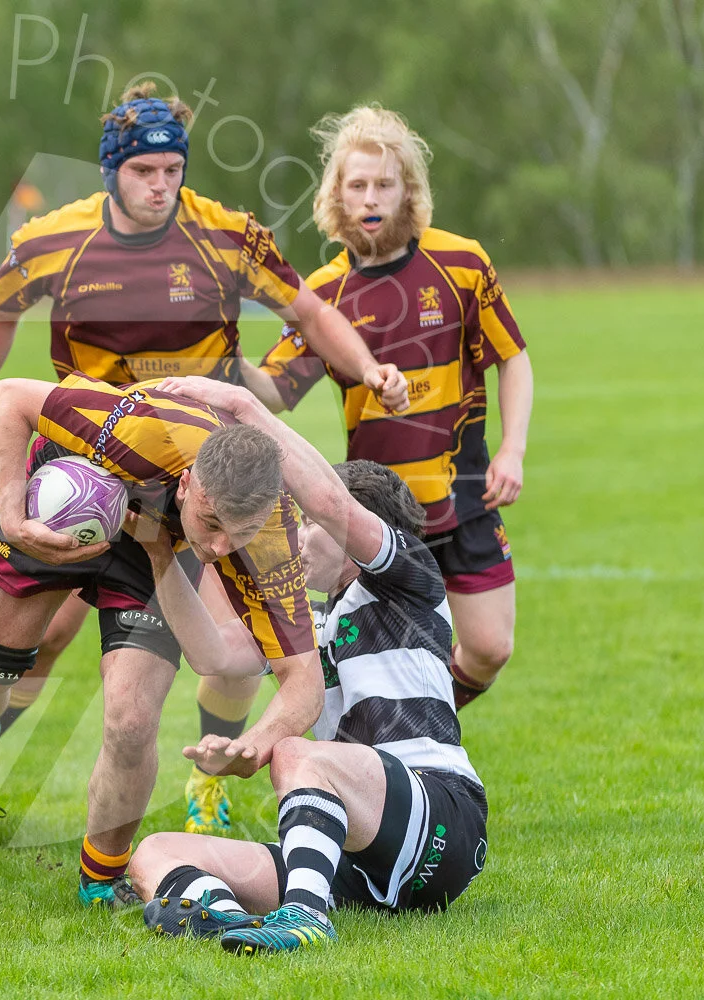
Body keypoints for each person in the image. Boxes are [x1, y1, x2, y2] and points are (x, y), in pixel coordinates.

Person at [0, 83, 409, 839]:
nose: (161, 186)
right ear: (111, 173)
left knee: (224, 654)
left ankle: (203, 781)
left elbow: (310, 313)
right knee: (47, 635)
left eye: (172, 170)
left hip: (197, 479)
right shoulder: (50, 240)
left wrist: (367, 370)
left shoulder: (226, 235)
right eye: (144, 172)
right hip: (89, 460)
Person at [0, 371, 326, 908]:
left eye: (238, 532)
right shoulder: (143, 429)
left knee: (131, 719)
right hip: (68, 500)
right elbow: (7, 398)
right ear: (189, 482)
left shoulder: (271, 533)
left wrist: (256, 743)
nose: (219, 547)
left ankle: (100, 880)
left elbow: (305, 678)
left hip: (157, 546)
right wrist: (12, 517)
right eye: (212, 522)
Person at [126, 375, 487, 955]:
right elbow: (211, 653)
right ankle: (224, 922)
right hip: (353, 857)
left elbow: (328, 500)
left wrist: (241, 406)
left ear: (354, 536)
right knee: (154, 853)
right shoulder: (307, 625)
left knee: (295, 749)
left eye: (308, 525)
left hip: (441, 820)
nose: (293, 534)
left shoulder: (409, 581)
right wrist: (159, 552)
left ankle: (304, 920)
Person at [248, 106, 532, 708]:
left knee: (488, 648)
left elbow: (515, 359)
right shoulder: (324, 293)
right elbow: (274, 390)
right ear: (337, 195)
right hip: (374, 510)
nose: (371, 197)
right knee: (346, 657)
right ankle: (344, 759)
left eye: (384, 183)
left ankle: (423, 723)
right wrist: (219, 351)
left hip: (465, 493)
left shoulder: (462, 264)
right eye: (357, 185)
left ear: (409, 191)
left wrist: (513, 448)